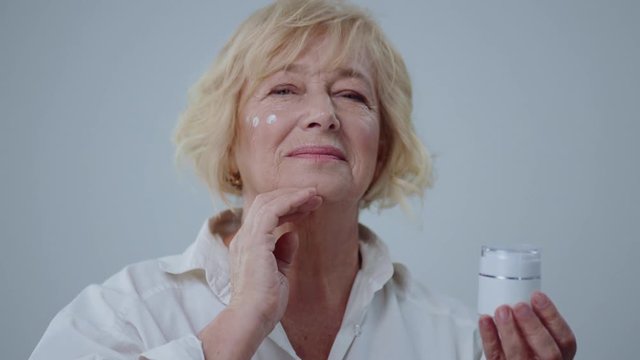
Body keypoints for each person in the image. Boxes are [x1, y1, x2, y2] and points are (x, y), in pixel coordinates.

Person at [31, 0, 577, 359]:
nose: (324, 114)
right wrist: (241, 323)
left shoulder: (458, 340)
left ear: (381, 147)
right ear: (229, 138)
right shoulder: (122, 315)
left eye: (351, 94)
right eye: (285, 90)